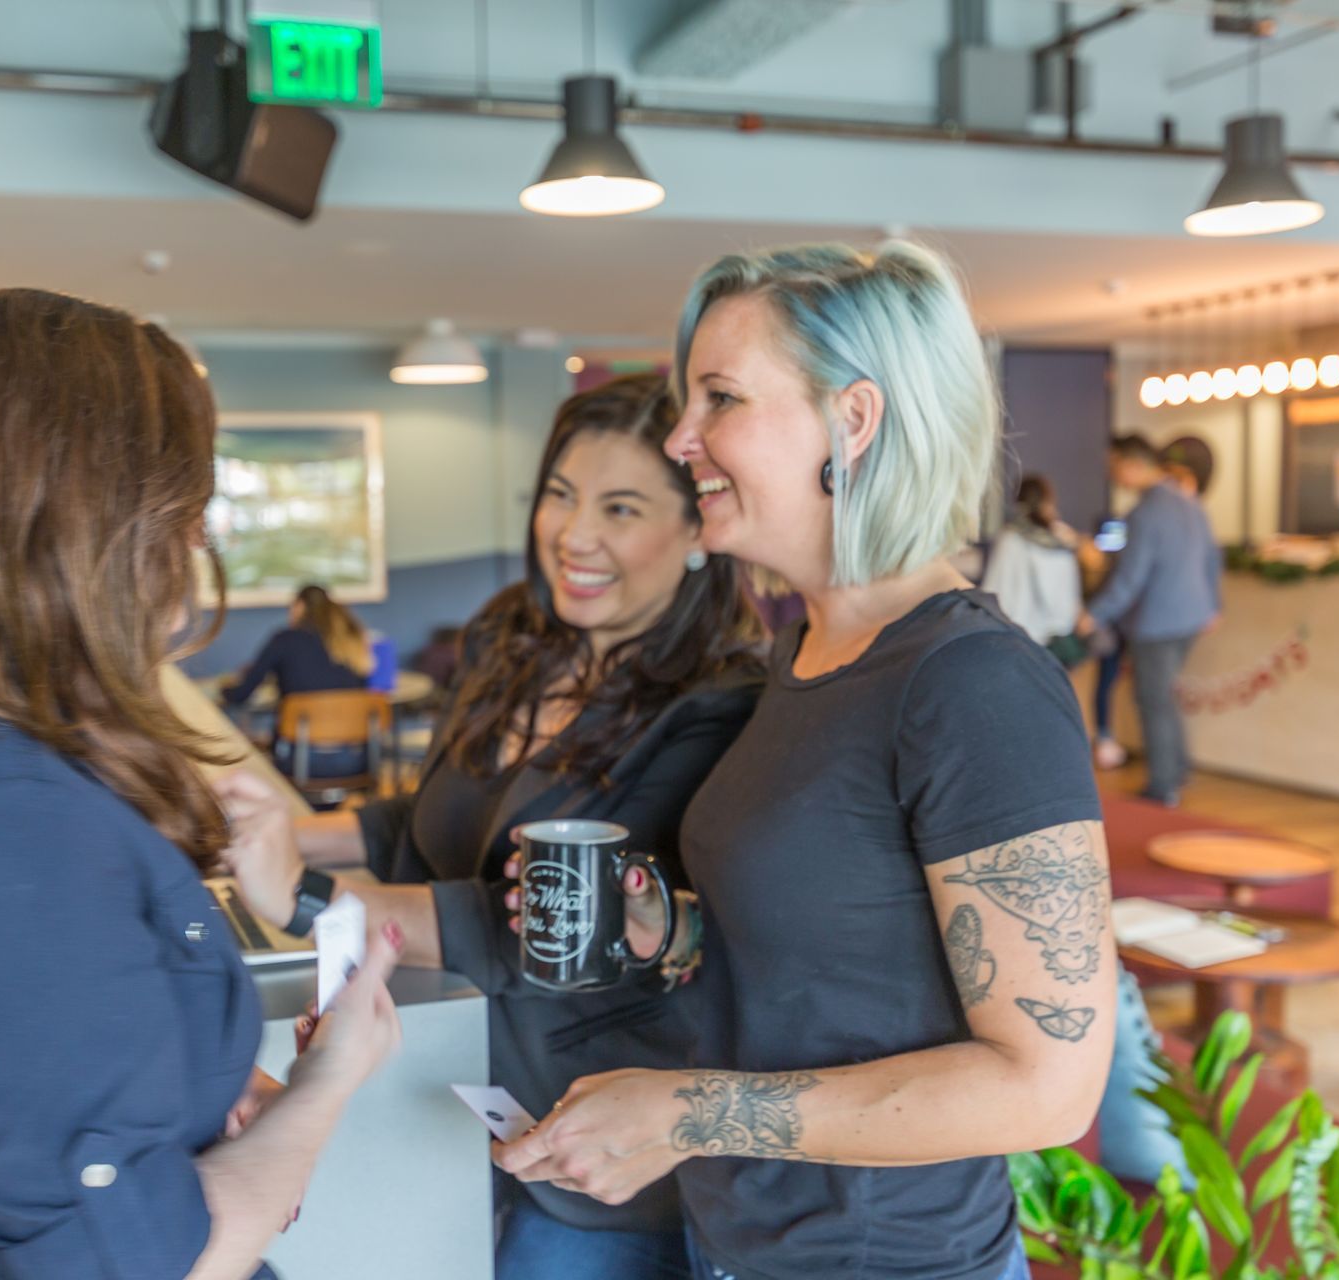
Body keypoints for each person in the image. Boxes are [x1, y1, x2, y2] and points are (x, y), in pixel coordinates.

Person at [497, 243, 1116, 1280]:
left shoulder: (973, 685)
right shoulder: (804, 654)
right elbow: (830, 964)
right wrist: (670, 924)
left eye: (720, 398)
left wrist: (687, 1110)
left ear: (853, 421)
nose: (681, 438)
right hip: (742, 1235)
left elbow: (1048, 1088)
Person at [0, 288, 401, 1280]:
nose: (194, 549)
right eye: (184, 514)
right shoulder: (5, 819)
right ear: (112, 526)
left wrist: (187, 1077)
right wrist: (331, 1077)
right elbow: (148, 1265)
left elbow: (27, 1051)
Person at [221, 373, 766, 1280]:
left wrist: (313, 895)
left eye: (620, 508)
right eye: (560, 493)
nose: (573, 534)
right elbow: (435, 819)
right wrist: (297, 827)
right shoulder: (517, 638)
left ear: (699, 530)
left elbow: (550, 925)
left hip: (593, 1149)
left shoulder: (714, 708)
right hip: (464, 1082)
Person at [1077, 434, 1222, 808]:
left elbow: (1129, 578)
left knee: (1153, 699)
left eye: (1115, 466)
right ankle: (1177, 769)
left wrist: (1094, 614)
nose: (1113, 475)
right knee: (1164, 695)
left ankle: (1163, 786)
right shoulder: (1189, 504)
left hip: (1157, 622)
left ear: (1133, 463)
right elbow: (1211, 557)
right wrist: (1212, 606)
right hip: (1190, 617)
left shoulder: (1144, 514)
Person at [225, 584, 374, 783]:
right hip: (355, 759)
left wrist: (223, 691)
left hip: (300, 760)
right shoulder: (351, 642)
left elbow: (241, 694)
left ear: (300, 606)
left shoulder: (284, 640)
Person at [981, 474, 1086, 659]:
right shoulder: (1062, 538)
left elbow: (994, 587)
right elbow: (1069, 590)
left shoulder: (1009, 538)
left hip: (1019, 634)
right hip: (1054, 633)